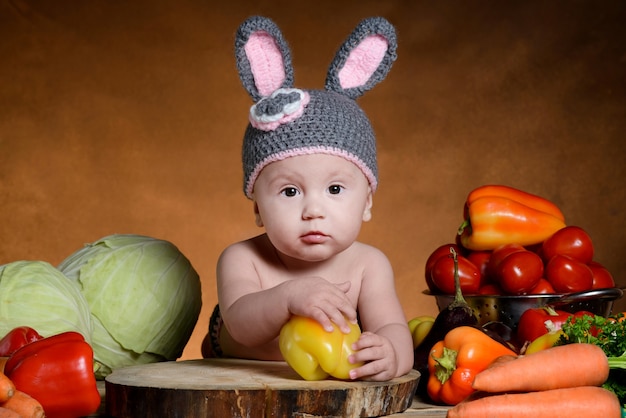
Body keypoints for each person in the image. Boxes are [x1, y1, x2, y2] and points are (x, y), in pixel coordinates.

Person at [201, 15, 413, 381]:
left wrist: (391, 353)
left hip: (314, 375)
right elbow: (240, 325)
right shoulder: (242, 259)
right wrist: (289, 296)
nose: (313, 211)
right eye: (289, 191)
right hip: (240, 372)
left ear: (366, 203)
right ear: (257, 209)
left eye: (334, 189)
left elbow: (393, 326)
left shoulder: (368, 265)